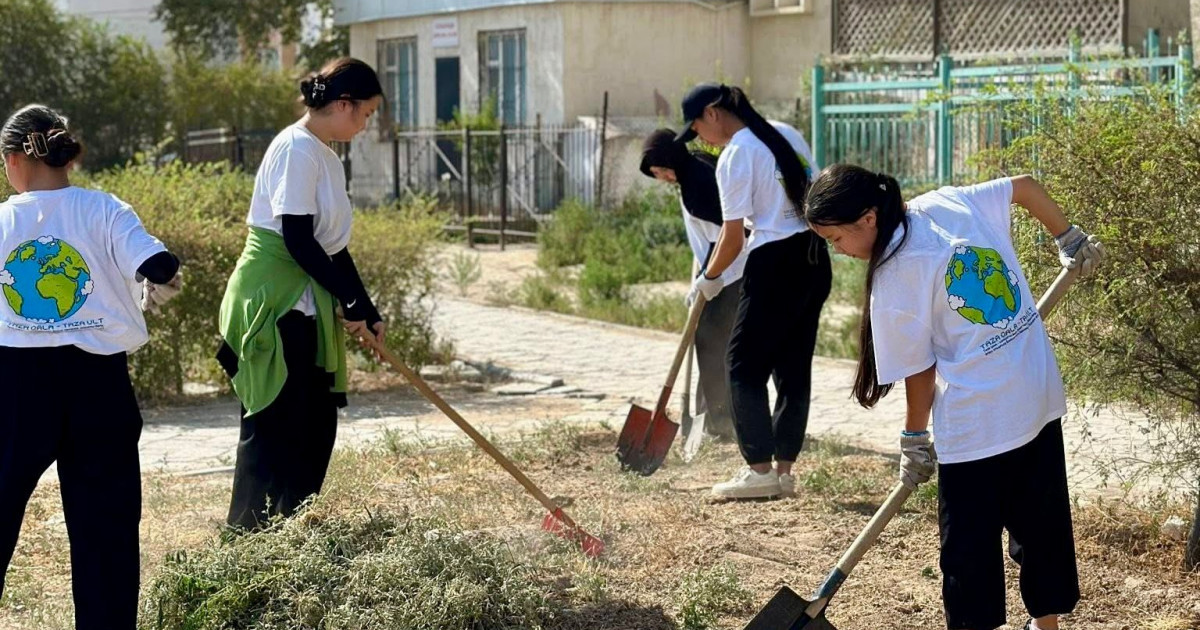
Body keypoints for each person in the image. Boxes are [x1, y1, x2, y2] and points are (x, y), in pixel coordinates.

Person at [804, 163, 1104, 630]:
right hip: (1036, 394)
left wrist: (913, 436)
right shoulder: (944, 202)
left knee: (968, 556)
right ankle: (1046, 627)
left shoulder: (896, 275)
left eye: (835, 238)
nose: (837, 250)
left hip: (978, 425)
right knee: (1040, 529)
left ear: (867, 219)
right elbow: (1023, 187)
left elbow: (920, 371)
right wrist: (1068, 236)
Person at [0, 104, 182, 629]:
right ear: (63, 156)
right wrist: (152, 283)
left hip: (14, 384)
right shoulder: (105, 210)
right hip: (98, 384)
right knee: (105, 531)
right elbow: (160, 265)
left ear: (14, 160)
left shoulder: (4, 219)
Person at [218, 57, 385, 530]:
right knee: (275, 430)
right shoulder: (296, 148)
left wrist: (365, 307)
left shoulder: (325, 154)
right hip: (272, 304)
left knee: (315, 429)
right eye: (366, 113)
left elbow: (334, 248)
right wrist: (346, 301)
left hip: (305, 301)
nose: (367, 123)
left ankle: (292, 538)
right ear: (343, 104)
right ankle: (249, 547)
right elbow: (296, 237)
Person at [677, 83, 828, 500]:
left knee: (742, 366)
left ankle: (758, 469)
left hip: (775, 263)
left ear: (712, 113)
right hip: (814, 258)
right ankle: (783, 471)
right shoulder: (787, 132)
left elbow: (733, 237)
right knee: (794, 367)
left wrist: (709, 279)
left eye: (696, 128)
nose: (700, 139)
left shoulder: (737, 153)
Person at [638, 128, 739, 440]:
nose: (662, 178)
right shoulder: (697, 163)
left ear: (669, 159)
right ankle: (713, 417)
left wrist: (705, 280)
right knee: (716, 345)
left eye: (660, 171)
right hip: (724, 271)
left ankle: (719, 422)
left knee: (712, 345)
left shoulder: (696, 187)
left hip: (727, 274)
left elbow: (722, 236)